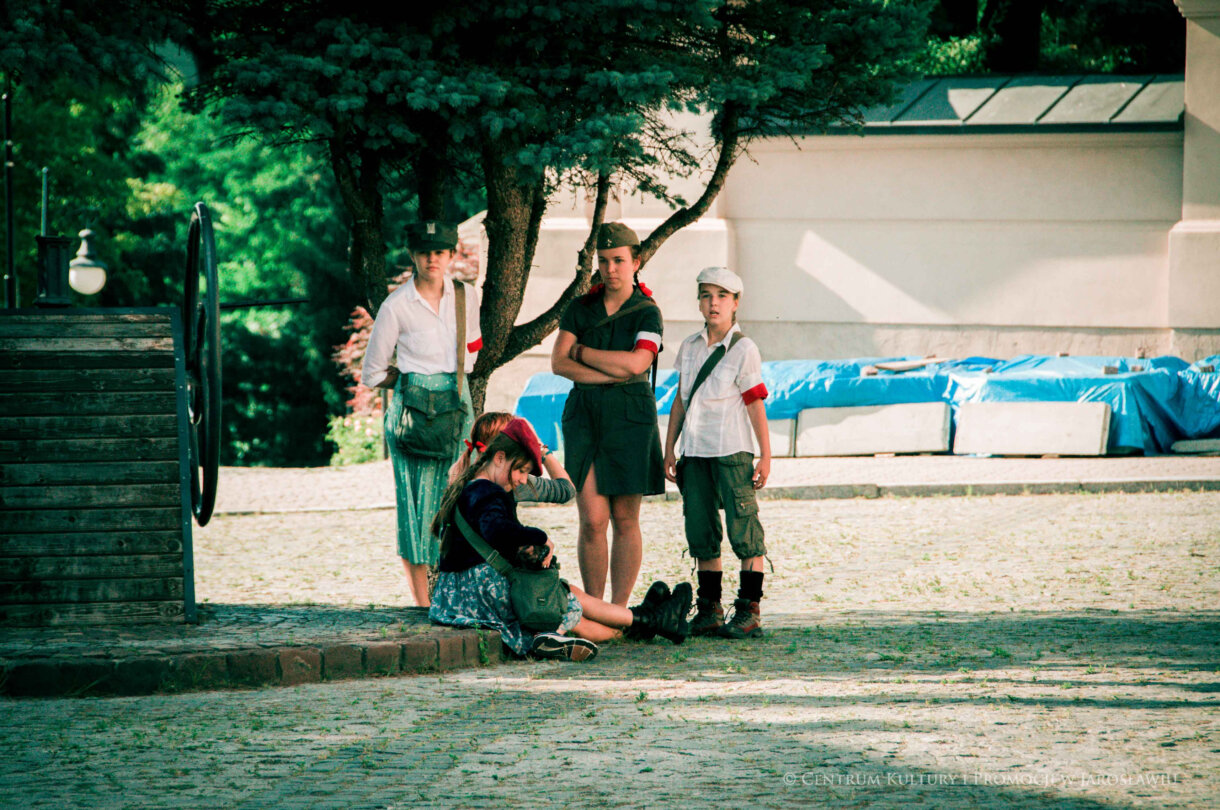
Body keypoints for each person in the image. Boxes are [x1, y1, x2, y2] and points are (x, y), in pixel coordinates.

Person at [429, 418, 692, 661]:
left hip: (459, 594)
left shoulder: (472, 485)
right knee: (563, 600)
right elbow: (497, 531)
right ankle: (647, 621)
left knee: (567, 598)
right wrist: (540, 537)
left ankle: (643, 622)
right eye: (521, 471)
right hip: (479, 596)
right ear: (499, 458)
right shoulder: (487, 493)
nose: (522, 480)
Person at [361, 220, 482, 608]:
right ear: (412, 255)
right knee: (415, 510)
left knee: (457, 501)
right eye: (425, 252)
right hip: (413, 418)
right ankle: (422, 604)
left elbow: (473, 354)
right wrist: (412, 382)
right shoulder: (396, 305)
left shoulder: (465, 296)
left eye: (440, 252)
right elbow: (372, 372)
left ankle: (454, 595)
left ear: (451, 255)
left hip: (456, 409)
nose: (433, 259)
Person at [551, 222, 665, 607]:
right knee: (592, 520)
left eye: (618, 260)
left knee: (626, 519)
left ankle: (618, 610)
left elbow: (636, 364)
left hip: (630, 418)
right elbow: (558, 363)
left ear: (636, 261)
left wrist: (582, 353)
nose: (610, 269)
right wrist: (607, 373)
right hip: (584, 416)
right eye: (603, 261)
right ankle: (596, 608)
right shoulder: (580, 308)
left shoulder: (647, 312)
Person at [663, 266, 771, 639]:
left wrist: (765, 455)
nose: (714, 303)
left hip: (731, 451)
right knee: (701, 530)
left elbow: (755, 402)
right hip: (694, 453)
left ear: (735, 303)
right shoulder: (690, 347)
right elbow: (680, 399)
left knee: (745, 531)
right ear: (698, 302)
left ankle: (749, 610)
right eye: (707, 295)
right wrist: (670, 448)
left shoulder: (744, 349)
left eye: (722, 296)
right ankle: (709, 609)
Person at [448, 411, 576, 505]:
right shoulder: (511, 480)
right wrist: (541, 448)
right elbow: (566, 490)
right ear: (500, 455)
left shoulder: (461, 473)